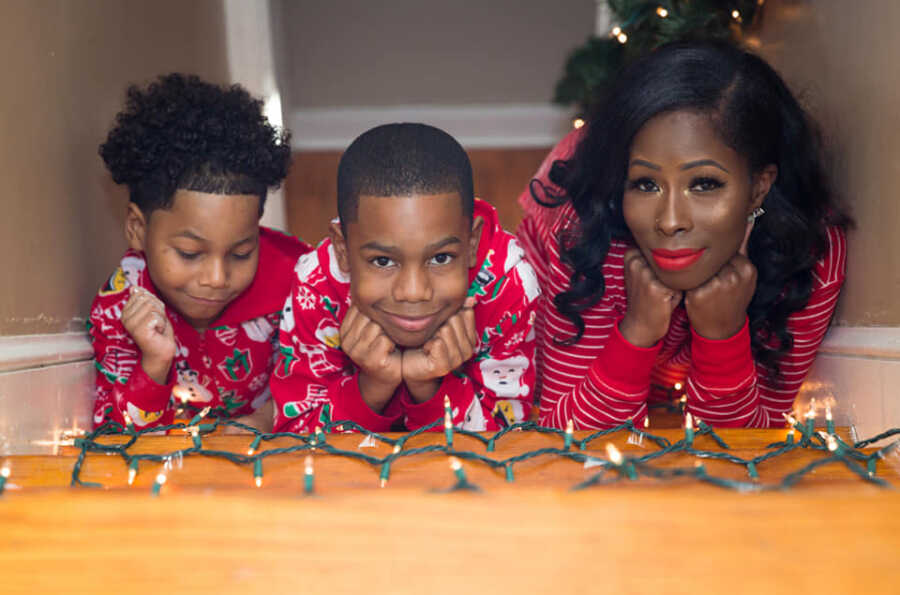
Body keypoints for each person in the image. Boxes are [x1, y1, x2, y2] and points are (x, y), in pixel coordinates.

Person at [517, 41, 850, 429]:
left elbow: (744, 458)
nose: (670, 221)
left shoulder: (808, 254)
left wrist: (721, 337)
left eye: (705, 184)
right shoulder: (583, 233)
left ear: (759, 187)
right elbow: (567, 440)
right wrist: (637, 331)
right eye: (645, 184)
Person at [270, 123, 540, 433]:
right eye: (383, 261)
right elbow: (297, 436)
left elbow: (505, 442)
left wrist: (430, 386)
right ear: (342, 249)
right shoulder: (316, 284)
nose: (413, 292)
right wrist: (372, 386)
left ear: (471, 244)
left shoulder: (509, 285)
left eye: (441, 258)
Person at [89, 73, 310, 432]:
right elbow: (114, 438)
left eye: (241, 253)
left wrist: (267, 419)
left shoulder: (301, 284)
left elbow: (326, 387)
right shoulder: (122, 305)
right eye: (190, 253)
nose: (217, 279)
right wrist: (154, 364)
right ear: (138, 229)